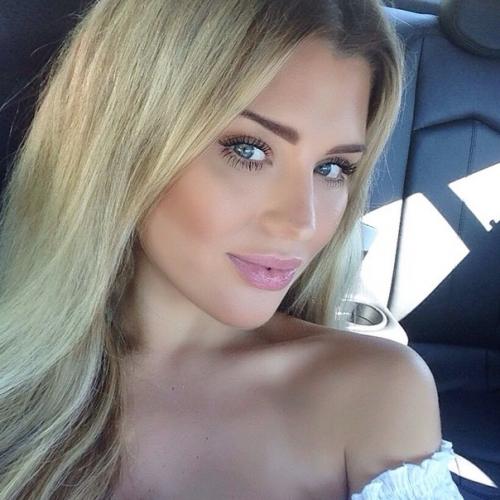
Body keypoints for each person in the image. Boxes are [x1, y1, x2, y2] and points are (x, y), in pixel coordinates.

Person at [0, 0, 464, 498]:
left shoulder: (374, 397)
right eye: (249, 149)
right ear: (124, 142)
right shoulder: (18, 379)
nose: (301, 223)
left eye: (332, 168)